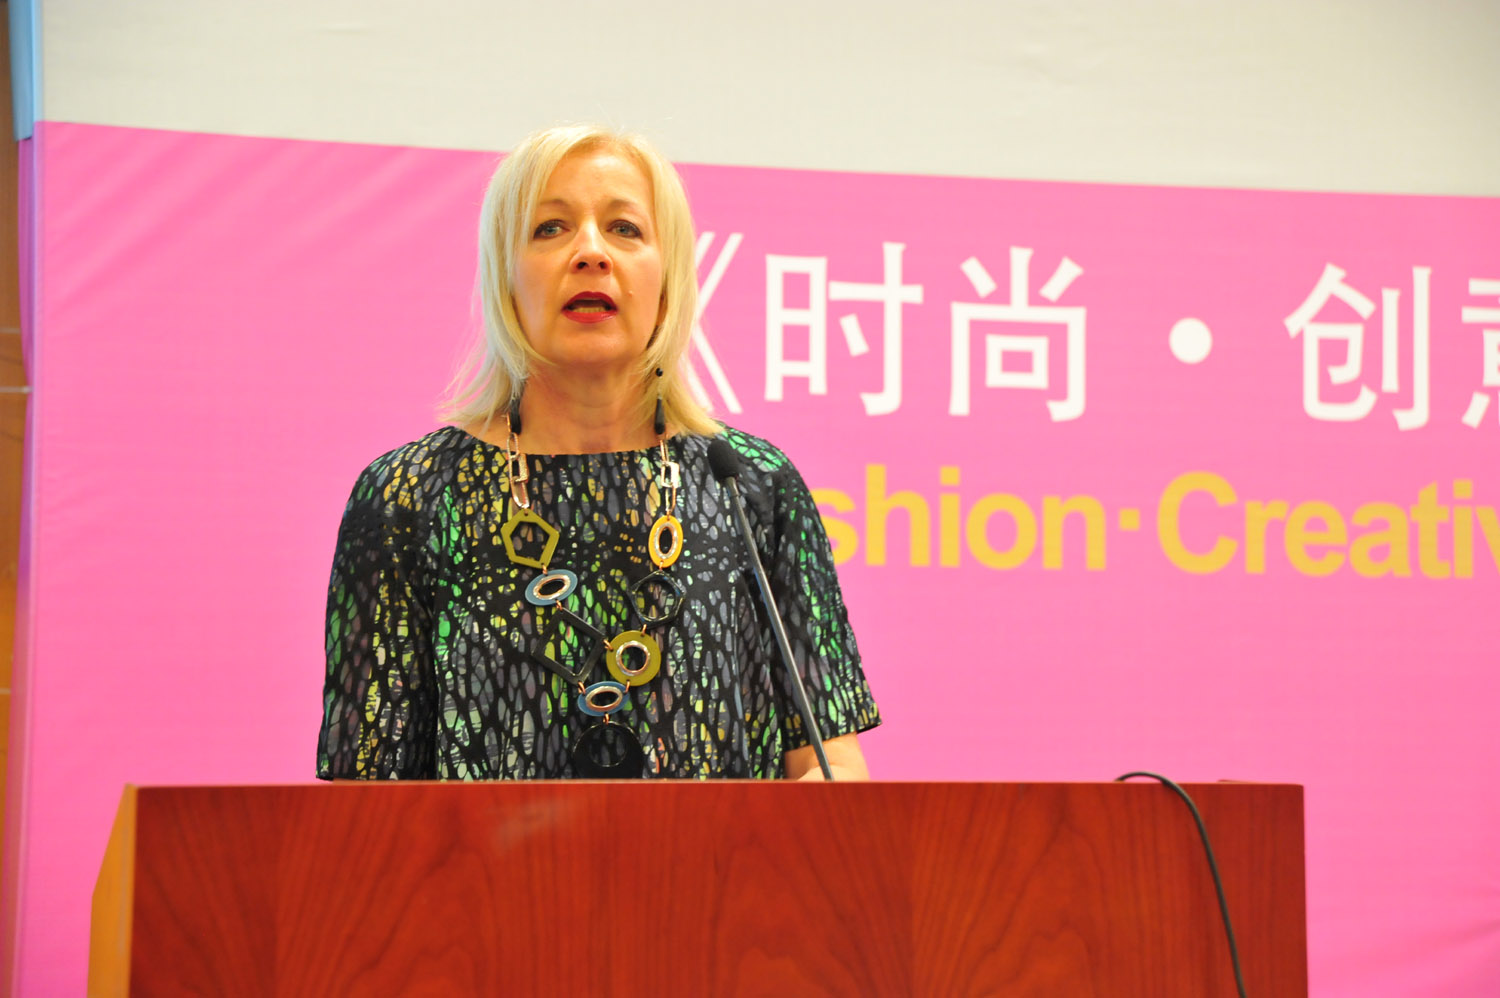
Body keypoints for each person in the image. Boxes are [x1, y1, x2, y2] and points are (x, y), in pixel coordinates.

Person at [316, 124, 879, 781]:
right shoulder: (408, 497)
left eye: (625, 229)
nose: (590, 252)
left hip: (723, 856)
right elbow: (366, 797)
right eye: (550, 228)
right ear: (505, 277)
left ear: (668, 279)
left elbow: (828, 764)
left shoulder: (751, 485)